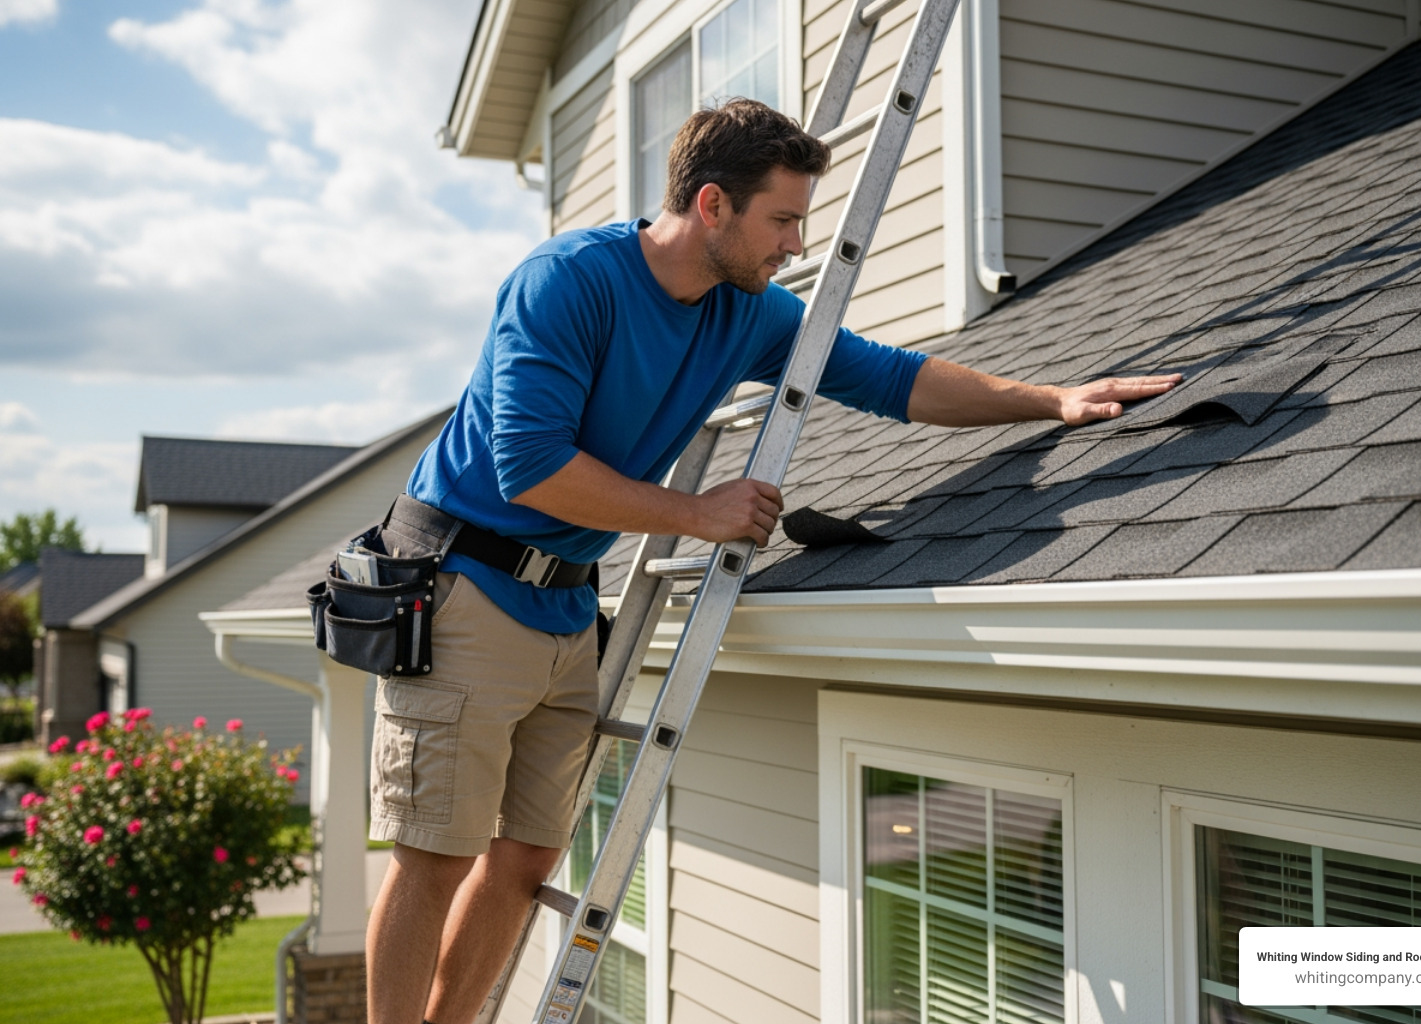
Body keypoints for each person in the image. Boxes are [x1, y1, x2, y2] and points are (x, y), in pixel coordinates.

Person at [365, 98, 1178, 1024]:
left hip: (564, 610)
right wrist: (696, 513)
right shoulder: (567, 281)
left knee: (528, 860)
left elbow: (889, 377)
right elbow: (532, 465)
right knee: (436, 853)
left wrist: (1052, 401)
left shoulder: (746, 312)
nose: (796, 244)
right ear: (713, 205)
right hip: (471, 583)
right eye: (783, 219)